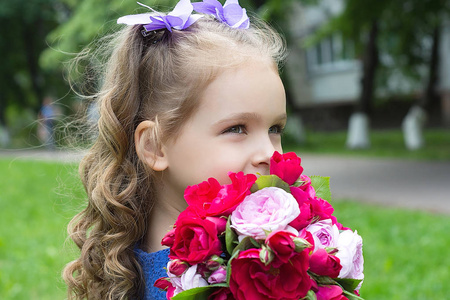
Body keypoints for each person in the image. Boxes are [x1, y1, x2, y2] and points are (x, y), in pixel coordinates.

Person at [63, 0, 286, 299]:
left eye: (275, 130)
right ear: (155, 146)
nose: (270, 154)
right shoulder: (180, 284)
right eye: (236, 128)